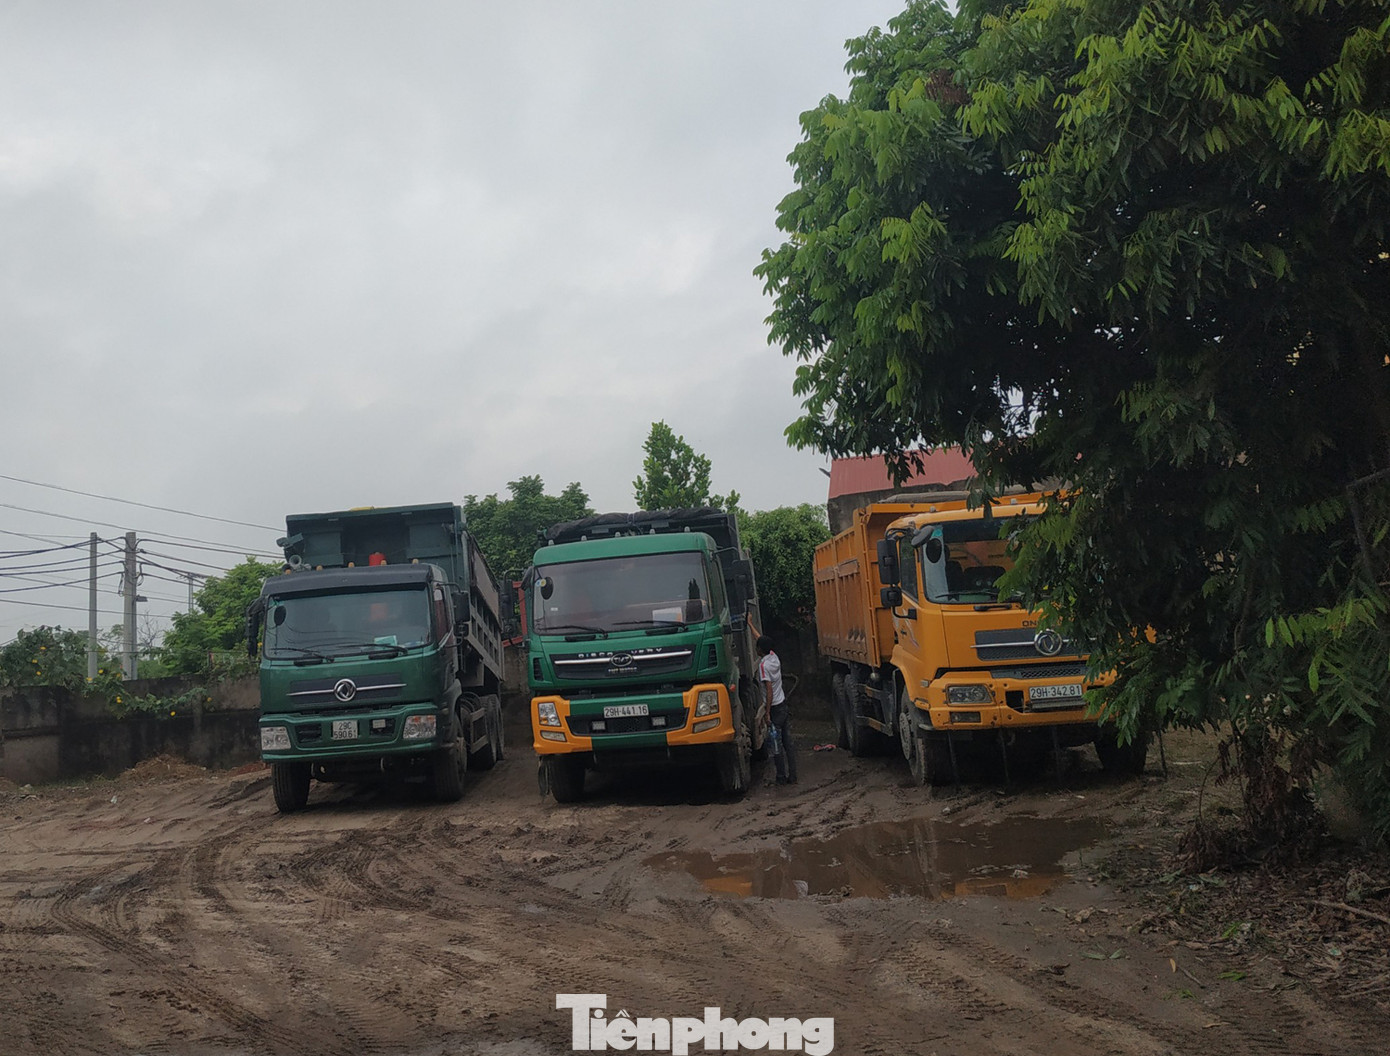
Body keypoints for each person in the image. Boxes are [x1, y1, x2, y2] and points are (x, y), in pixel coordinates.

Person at [757, 635, 796, 785]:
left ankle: (780, 777)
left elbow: (769, 690)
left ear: (760, 650)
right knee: (788, 742)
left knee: (775, 744)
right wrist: (750, 624)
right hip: (783, 705)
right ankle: (793, 775)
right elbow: (759, 638)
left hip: (774, 709)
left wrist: (767, 713)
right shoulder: (774, 658)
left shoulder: (763, 666)